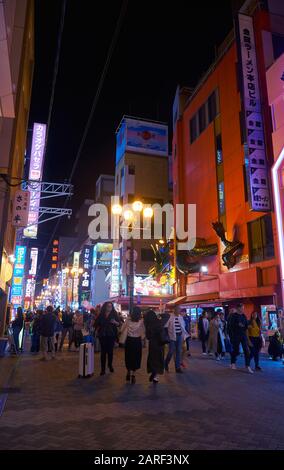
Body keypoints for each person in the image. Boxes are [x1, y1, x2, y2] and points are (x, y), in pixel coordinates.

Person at [120, 306, 145, 384]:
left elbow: (122, 329)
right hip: (137, 341)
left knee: (128, 357)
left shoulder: (128, 320)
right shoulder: (141, 321)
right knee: (136, 358)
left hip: (129, 341)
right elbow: (143, 333)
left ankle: (128, 371)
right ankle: (133, 375)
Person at [95, 302, 121, 375]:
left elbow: (119, 324)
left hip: (111, 335)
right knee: (103, 352)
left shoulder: (114, 314)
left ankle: (110, 365)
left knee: (110, 352)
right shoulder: (101, 314)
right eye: (108, 306)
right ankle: (102, 369)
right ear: (105, 307)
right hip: (102, 335)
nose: (109, 307)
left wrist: (115, 322)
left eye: (111, 306)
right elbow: (96, 324)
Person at [144, 309, 170, 383]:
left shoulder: (148, 325)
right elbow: (167, 316)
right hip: (160, 343)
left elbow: (148, 337)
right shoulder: (159, 322)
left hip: (152, 344)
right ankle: (156, 377)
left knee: (152, 359)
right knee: (159, 359)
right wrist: (159, 315)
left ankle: (153, 371)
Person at [228, 303, 253, 373]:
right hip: (236, 336)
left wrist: (246, 326)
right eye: (242, 308)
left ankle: (247, 365)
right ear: (238, 308)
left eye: (243, 308)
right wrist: (237, 325)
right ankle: (233, 362)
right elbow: (230, 326)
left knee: (247, 350)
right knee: (236, 350)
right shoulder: (233, 316)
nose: (243, 309)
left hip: (243, 335)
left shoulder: (244, 316)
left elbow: (246, 325)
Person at [164, 306, 189, 373]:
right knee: (171, 351)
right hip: (172, 337)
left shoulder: (181, 317)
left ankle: (177, 368)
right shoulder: (170, 317)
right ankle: (166, 363)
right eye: (178, 309)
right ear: (174, 310)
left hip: (179, 336)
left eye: (179, 310)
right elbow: (165, 327)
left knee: (179, 351)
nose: (179, 311)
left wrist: (184, 337)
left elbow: (183, 327)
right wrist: (167, 336)